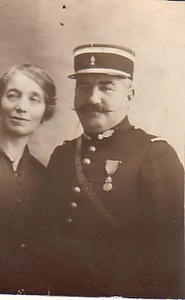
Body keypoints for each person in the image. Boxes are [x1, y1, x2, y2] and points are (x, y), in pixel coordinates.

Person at [47, 44, 184, 298]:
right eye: (84, 87)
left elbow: (170, 259)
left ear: (129, 95)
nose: (92, 99)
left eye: (106, 87)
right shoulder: (61, 156)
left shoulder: (155, 156)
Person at [0, 64, 56, 294]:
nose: (21, 108)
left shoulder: (41, 175)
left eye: (34, 99)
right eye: (13, 96)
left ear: (46, 112)